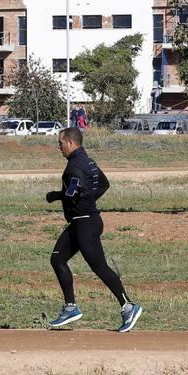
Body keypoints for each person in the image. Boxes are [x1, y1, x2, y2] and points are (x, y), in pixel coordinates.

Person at [45, 127, 141, 332]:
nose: (58, 147)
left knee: (100, 267)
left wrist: (55, 195)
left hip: (85, 223)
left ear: (71, 143)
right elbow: (104, 184)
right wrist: (87, 198)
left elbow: (72, 190)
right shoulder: (88, 161)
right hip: (81, 221)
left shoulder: (74, 165)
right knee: (57, 258)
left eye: (60, 143)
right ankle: (71, 307)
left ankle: (129, 306)